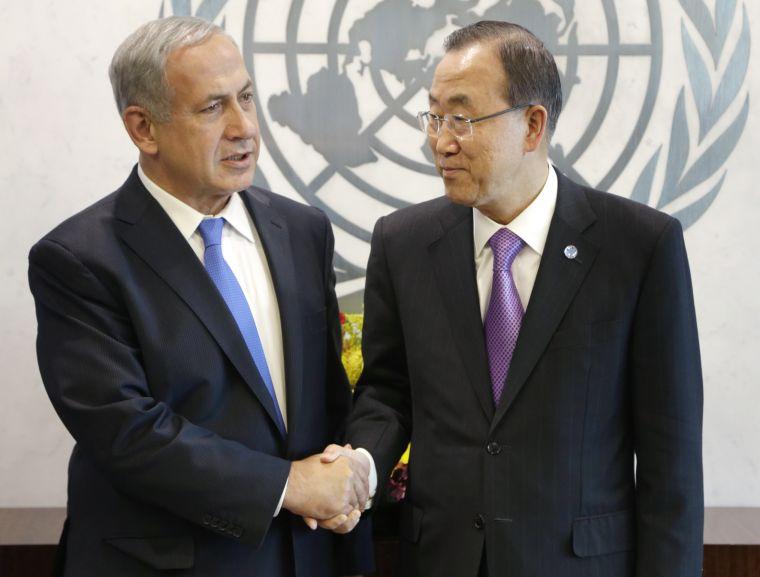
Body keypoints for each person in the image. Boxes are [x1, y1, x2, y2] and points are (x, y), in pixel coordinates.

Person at [345, 20, 703, 577]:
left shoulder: (638, 247)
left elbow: (670, 459)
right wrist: (361, 465)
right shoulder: (403, 242)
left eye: (462, 117)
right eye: (434, 116)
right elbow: (388, 391)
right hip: (441, 559)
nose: (441, 140)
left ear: (533, 125)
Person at [29, 16, 372, 577]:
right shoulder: (77, 260)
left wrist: (348, 474)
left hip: (308, 557)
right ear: (144, 129)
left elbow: (329, 400)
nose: (244, 127)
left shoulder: (303, 230)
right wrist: (287, 486)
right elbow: (127, 432)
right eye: (212, 108)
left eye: (246, 97)